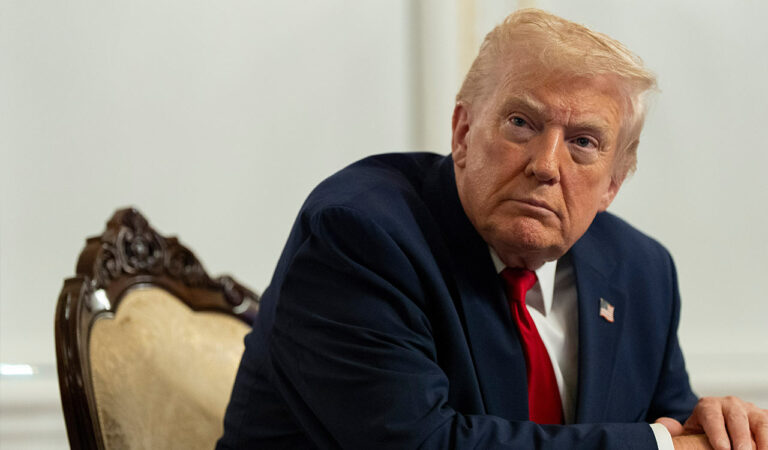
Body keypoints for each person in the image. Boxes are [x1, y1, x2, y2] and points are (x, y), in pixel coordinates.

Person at [218, 9, 767, 450]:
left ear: (613, 185)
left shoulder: (640, 271)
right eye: (521, 123)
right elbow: (422, 443)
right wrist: (657, 446)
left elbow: (675, 425)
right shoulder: (358, 237)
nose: (546, 165)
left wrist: (717, 428)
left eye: (583, 142)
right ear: (462, 133)